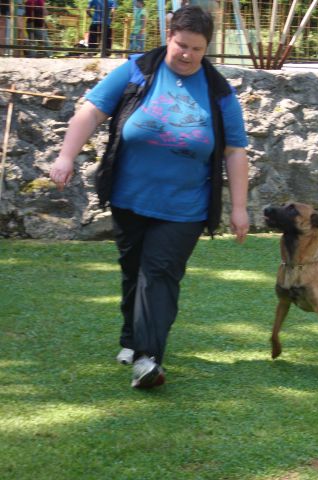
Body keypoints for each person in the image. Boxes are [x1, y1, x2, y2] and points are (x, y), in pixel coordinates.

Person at [49, 5, 250, 389]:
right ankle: (131, 339)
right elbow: (90, 113)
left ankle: (147, 357)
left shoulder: (218, 91)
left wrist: (239, 209)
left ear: (207, 49)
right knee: (134, 270)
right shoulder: (138, 71)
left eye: (197, 48)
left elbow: (235, 151)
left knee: (159, 273)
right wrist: (65, 156)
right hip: (131, 197)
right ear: (169, 37)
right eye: (181, 45)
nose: (187, 54)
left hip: (185, 206)